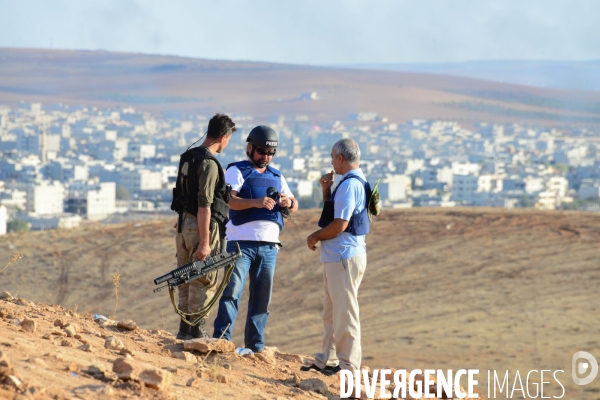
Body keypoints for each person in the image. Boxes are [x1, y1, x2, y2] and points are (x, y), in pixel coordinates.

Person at [213, 125, 298, 352]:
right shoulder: (237, 171)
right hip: (241, 244)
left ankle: (255, 346)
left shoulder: (277, 176)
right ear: (250, 148)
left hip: (270, 246)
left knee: (262, 299)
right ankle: (221, 341)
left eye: (270, 153)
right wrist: (255, 202)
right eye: (262, 151)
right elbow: (229, 201)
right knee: (232, 293)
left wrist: (287, 202)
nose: (266, 157)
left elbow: (294, 203)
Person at [304, 138, 371, 377]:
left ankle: (348, 366)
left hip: (343, 257)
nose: (332, 161)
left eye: (333, 157)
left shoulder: (351, 185)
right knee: (332, 313)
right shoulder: (350, 183)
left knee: (345, 313)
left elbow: (340, 225)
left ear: (340, 158)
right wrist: (326, 191)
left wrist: (314, 236)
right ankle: (328, 359)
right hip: (339, 257)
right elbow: (336, 216)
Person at [170, 113, 236, 340]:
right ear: (224, 137)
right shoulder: (209, 163)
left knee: (185, 276)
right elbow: (205, 204)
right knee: (202, 277)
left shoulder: (188, 157)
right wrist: (206, 241)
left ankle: (184, 329)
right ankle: (196, 331)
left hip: (182, 225)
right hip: (200, 225)